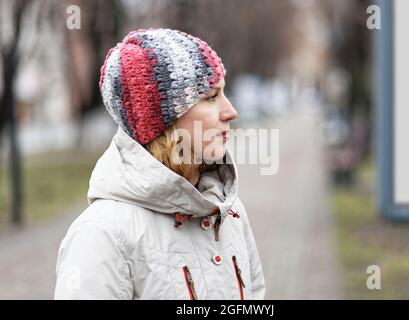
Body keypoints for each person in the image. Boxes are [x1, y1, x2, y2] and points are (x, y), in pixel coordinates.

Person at [54, 27, 266, 300]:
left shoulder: (230, 213)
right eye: (212, 96)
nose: (231, 111)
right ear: (164, 123)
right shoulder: (101, 236)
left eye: (224, 93)